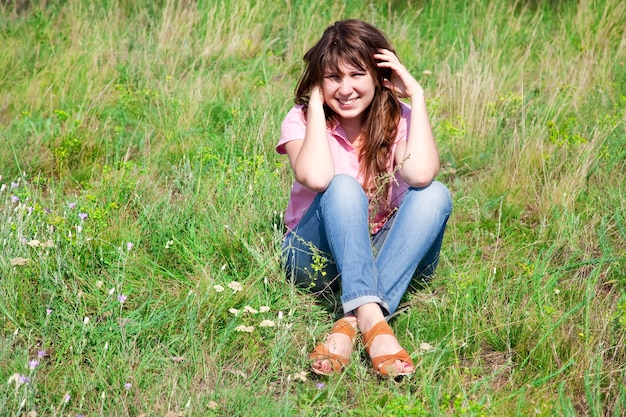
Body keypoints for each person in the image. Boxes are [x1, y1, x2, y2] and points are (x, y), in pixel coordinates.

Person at [276, 19, 452, 377]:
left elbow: (420, 174)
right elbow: (317, 177)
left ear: (379, 76)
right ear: (317, 82)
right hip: (315, 257)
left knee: (435, 194)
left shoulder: (398, 118)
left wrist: (416, 97)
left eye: (357, 74)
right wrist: (313, 103)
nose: (345, 89)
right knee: (341, 186)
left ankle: (352, 321)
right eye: (332, 78)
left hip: (384, 250)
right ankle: (374, 315)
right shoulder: (301, 121)